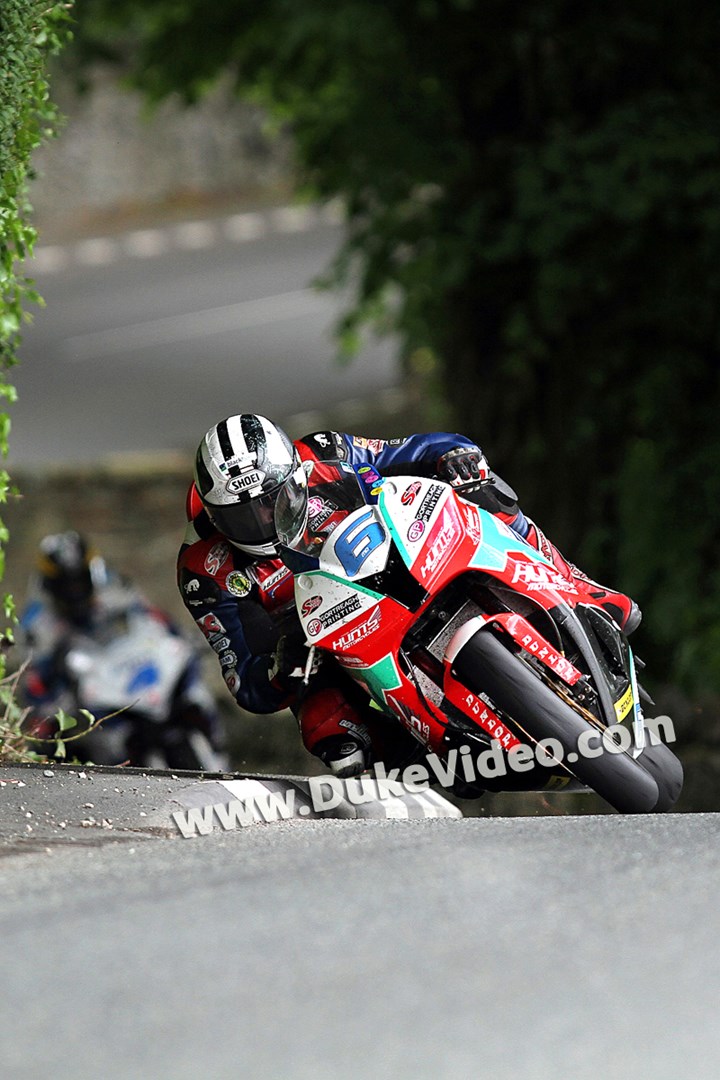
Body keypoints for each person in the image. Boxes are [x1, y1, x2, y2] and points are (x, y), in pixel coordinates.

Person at [177, 415, 640, 778]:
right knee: (332, 735)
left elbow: (411, 450)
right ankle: (426, 768)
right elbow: (244, 678)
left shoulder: (323, 454)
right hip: (328, 639)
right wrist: (279, 667)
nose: (261, 520)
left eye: (271, 501)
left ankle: (579, 587)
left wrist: (453, 458)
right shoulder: (204, 571)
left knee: (487, 493)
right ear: (214, 516)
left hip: (402, 559)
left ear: (292, 476)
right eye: (242, 515)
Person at [19, 531, 221, 764]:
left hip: (130, 672)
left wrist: (179, 637)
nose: (74, 591)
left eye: (79, 580)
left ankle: (217, 748)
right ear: (49, 583)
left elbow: (150, 615)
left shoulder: (113, 585)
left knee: (194, 692)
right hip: (88, 696)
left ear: (92, 572)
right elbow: (33, 678)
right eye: (65, 584)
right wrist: (46, 710)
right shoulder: (38, 622)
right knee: (71, 744)